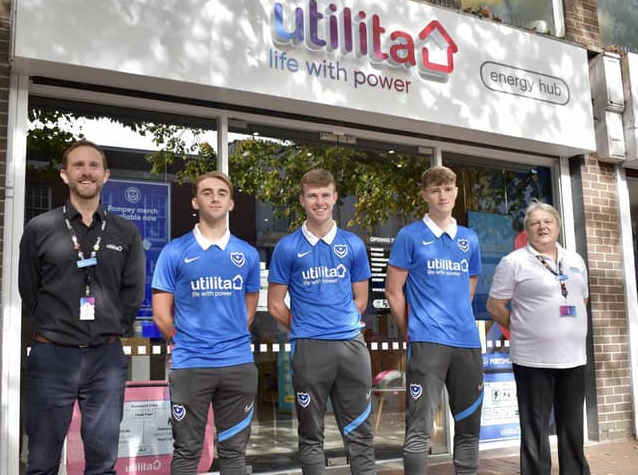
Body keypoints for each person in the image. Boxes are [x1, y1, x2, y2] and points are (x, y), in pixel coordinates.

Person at [18, 140, 146, 474]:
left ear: (105, 175)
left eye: (93, 165)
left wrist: (110, 326)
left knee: (103, 462)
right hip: (51, 357)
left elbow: (133, 292)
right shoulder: (40, 229)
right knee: (42, 461)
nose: (86, 171)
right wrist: (56, 325)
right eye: (77, 165)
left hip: (105, 358)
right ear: (64, 175)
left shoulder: (125, 231)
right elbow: (28, 290)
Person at [267, 168, 375, 474]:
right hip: (309, 349)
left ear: (335, 198)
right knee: (311, 436)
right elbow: (274, 304)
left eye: (325, 195)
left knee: (361, 435)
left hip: (350, 348)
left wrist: (337, 325)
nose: (319, 202)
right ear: (302, 200)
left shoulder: (353, 244)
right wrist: (304, 327)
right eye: (312, 196)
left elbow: (361, 301)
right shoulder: (287, 247)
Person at [152, 171, 260, 475]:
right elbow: (161, 314)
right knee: (187, 453)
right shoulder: (174, 251)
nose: (215, 197)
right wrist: (184, 341)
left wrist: (232, 335)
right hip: (190, 366)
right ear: (195, 201)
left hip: (237, 365)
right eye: (208, 192)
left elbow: (249, 308)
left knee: (234, 454)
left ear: (231, 204)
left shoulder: (248, 254)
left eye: (222, 193)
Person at [385, 166, 483, 475]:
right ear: (425, 194)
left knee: (468, 425)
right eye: (436, 190)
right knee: (419, 427)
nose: (442, 195)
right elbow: (392, 290)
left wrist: (454, 318)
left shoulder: (469, 239)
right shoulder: (410, 235)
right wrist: (410, 330)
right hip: (427, 342)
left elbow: (467, 289)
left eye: (448, 189)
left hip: (466, 342)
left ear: (456, 192)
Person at [486, 202, 590, 475]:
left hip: (574, 358)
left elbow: (582, 300)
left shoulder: (575, 260)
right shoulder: (513, 262)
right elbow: (495, 306)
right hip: (533, 360)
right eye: (535, 223)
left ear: (557, 226)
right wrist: (523, 328)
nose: (542, 226)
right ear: (528, 230)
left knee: (573, 428)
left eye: (548, 221)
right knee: (535, 429)